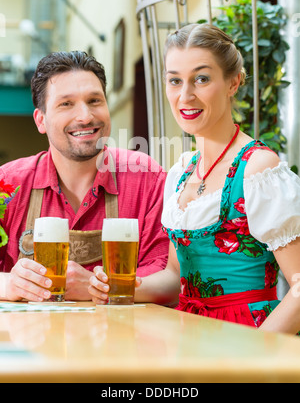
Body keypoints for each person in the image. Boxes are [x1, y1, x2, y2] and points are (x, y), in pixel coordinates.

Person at [89, 23, 300, 334]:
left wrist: (258, 355)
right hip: (186, 337)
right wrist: (125, 287)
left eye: (201, 79)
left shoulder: (258, 168)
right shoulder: (180, 172)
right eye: (175, 81)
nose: (185, 95)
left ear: (233, 82)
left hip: (245, 342)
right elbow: (175, 276)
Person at [0, 51, 169, 302]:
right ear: (41, 120)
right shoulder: (8, 183)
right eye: (66, 104)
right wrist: (11, 284)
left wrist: (95, 286)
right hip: (30, 339)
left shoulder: (147, 177)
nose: (85, 116)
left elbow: (167, 276)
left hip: (120, 339)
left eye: (94, 100)